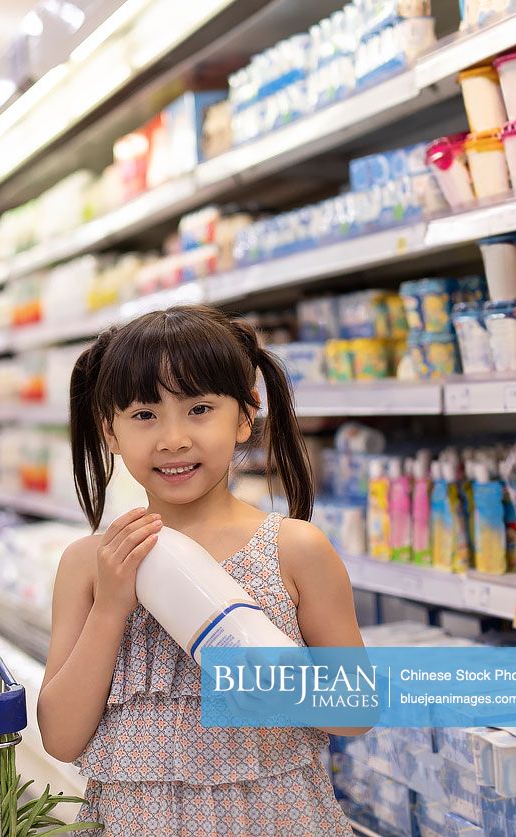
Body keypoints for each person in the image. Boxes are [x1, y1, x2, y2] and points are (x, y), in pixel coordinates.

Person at [37, 305, 365, 835]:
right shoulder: (91, 566)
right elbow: (61, 737)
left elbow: (355, 712)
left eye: (199, 409)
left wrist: (253, 656)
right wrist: (113, 604)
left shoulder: (294, 550)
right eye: (145, 415)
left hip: (273, 817)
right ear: (111, 432)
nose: (172, 438)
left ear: (243, 418)